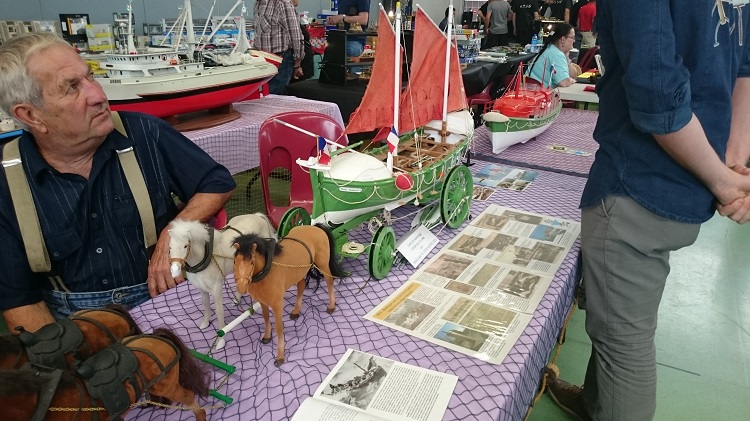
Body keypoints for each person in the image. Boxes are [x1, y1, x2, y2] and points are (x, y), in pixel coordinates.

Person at [546, 1, 750, 421]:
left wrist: (724, 179)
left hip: (639, 183)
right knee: (622, 317)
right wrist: (729, 163)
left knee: (624, 344)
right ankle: (594, 403)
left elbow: (658, 95)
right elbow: (744, 65)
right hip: (689, 177)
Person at [0, 33, 236, 332]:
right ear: (31, 115)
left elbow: (216, 181)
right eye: (72, 87)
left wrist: (174, 232)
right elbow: (20, 301)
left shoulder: (145, 133)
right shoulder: (7, 181)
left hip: (168, 304)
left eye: (91, 77)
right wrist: (68, 360)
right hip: (78, 330)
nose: (98, 96)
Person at [254, 0, 305, 94]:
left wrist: (297, 63)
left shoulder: (282, 3)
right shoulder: (258, 3)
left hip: (280, 62)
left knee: (273, 98)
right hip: (262, 62)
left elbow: (296, 35)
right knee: (263, 98)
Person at [525, 22, 579, 88]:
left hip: (532, 92)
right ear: (563, 39)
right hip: (538, 94)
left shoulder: (551, 49)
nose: (574, 41)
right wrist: (571, 81)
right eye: (572, 38)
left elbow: (573, 76)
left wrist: (567, 59)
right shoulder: (556, 54)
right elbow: (564, 82)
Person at [326, 0, 371, 74]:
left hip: (354, 40)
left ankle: (354, 81)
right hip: (341, 39)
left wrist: (342, 17)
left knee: (353, 50)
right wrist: (334, 19)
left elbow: (363, 19)